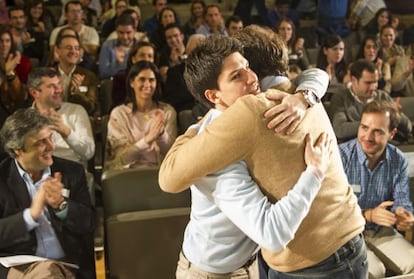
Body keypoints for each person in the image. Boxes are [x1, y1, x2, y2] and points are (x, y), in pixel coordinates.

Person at [160, 27, 367, 278]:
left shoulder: (266, 105)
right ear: (213, 94)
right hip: (217, 268)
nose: (250, 77)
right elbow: (168, 178)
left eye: (247, 66)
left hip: (300, 260)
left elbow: (169, 177)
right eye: (237, 75)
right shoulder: (301, 93)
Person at [0, 108, 96, 278]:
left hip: (67, 265)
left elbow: (89, 224)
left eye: (50, 138)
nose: (51, 147)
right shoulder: (2, 179)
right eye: (40, 143)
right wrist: (30, 216)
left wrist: (62, 206)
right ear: (17, 150)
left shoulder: (71, 172)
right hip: (21, 269)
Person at [339, 100, 414, 278]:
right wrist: (368, 214)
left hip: (381, 230)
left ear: (392, 134)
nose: (368, 136)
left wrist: (404, 214)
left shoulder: (398, 160)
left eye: (378, 131)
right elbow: (330, 211)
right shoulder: (340, 157)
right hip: (346, 235)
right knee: (374, 272)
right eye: (364, 127)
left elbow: (402, 200)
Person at [105, 61, 177, 170]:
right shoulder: (119, 113)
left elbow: (172, 155)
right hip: (126, 175)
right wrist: (147, 140)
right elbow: (121, 158)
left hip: (159, 174)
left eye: (151, 80)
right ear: (132, 82)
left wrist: (161, 135)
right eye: (142, 79)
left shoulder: (167, 111)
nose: (147, 85)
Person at [328, 59, 412, 143]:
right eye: (368, 83)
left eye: (375, 82)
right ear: (354, 80)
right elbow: (340, 129)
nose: (373, 87)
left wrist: (396, 115)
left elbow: (408, 127)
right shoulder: (340, 98)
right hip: (355, 147)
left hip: (385, 145)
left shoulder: (382, 96)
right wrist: (376, 123)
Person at [54, 34, 98, 115]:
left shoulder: (89, 76)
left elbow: (92, 108)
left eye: (77, 48)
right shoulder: (48, 75)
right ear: (57, 51)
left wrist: (78, 94)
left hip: (78, 118)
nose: (73, 52)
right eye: (69, 48)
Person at [111, 41, 156, 109]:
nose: (146, 59)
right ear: (133, 59)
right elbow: (118, 103)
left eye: (150, 56)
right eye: (142, 55)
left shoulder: (157, 77)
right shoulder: (120, 77)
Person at [0, 25, 29, 127]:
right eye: (1, 41)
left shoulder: (19, 62)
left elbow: (20, 97)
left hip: (10, 111)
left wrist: (9, 73)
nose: (4, 45)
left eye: (7, 41)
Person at [98, 13, 137, 79]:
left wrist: (122, 63)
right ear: (116, 31)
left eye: (128, 32)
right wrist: (120, 64)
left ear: (134, 31)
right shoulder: (107, 46)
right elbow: (103, 73)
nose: (125, 37)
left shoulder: (142, 47)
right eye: (121, 32)